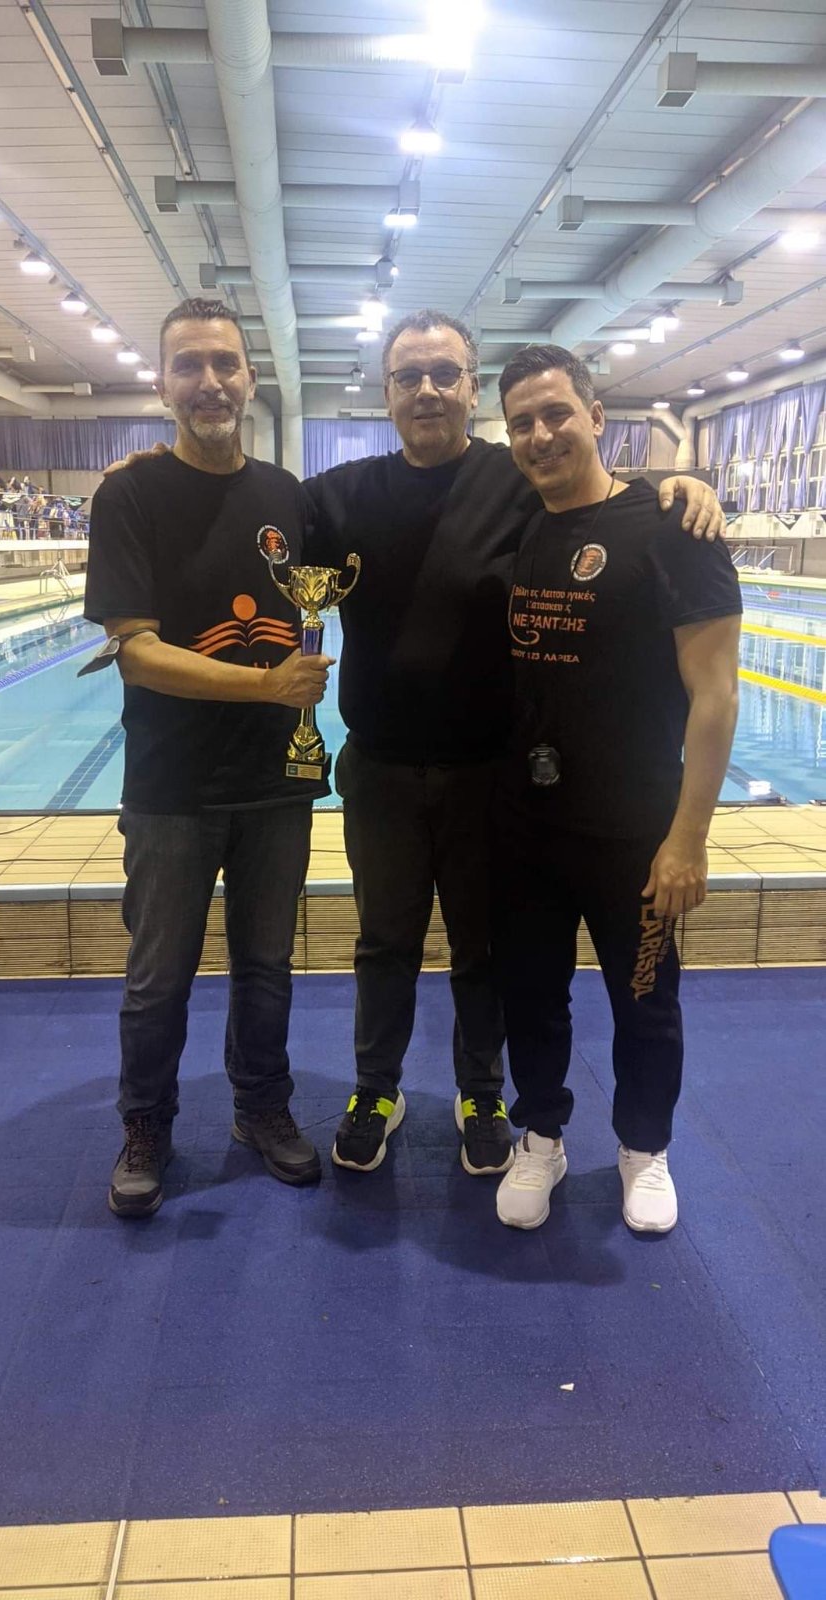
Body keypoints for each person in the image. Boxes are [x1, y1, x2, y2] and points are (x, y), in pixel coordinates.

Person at [104, 308, 724, 1184]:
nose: (426, 391)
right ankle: (375, 1090)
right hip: (381, 770)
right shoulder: (338, 496)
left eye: (444, 375)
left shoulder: (517, 478)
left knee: (482, 950)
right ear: (386, 393)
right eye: (408, 378)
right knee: (384, 945)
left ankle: (482, 1096)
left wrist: (677, 483)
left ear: (470, 388)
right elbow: (237, 507)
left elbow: (592, 491)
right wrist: (149, 465)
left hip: (489, 773)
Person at [84, 297, 335, 1218]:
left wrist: (664, 493)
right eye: (188, 365)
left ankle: (260, 1107)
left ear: (250, 379)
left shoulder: (288, 497)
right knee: (159, 979)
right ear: (162, 384)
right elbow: (137, 653)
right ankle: (146, 1125)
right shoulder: (130, 496)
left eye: (225, 363)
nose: (209, 381)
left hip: (275, 784)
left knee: (267, 966)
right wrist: (268, 687)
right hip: (172, 787)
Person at [490, 344, 742, 1235]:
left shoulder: (675, 529)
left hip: (636, 827)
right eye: (522, 422)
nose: (541, 434)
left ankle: (644, 1146)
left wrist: (689, 838)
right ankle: (541, 1135)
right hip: (526, 825)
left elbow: (716, 694)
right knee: (531, 996)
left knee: (645, 999)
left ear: (597, 417)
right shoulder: (515, 522)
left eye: (557, 413)